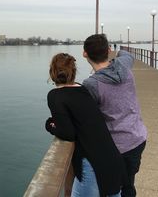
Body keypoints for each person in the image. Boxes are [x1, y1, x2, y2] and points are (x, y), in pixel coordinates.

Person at [46, 53, 127, 197]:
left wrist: (50, 126)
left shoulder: (55, 95)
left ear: (52, 72)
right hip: (112, 158)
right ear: (73, 71)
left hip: (92, 165)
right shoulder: (83, 89)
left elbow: (67, 133)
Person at [82, 34, 147, 197]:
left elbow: (88, 117)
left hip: (115, 147)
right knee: (128, 185)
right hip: (137, 139)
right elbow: (127, 55)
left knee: (112, 189)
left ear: (85, 54)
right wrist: (116, 56)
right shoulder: (123, 66)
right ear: (109, 50)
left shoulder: (90, 84)